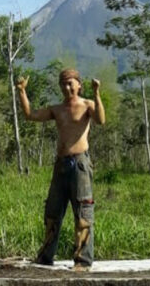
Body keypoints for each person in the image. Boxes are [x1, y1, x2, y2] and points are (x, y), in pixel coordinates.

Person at [16, 68, 106, 270]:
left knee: (83, 212)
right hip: (61, 164)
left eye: (70, 83)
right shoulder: (57, 109)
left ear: (79, 84)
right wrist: (22, 92)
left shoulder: (87, 105)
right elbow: (31, 115)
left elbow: (101, 119)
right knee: (52, 211)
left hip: (80, 164)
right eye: (63, 84)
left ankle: (82, 260)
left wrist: (97, 93)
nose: (67, 88)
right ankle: (45, 256)